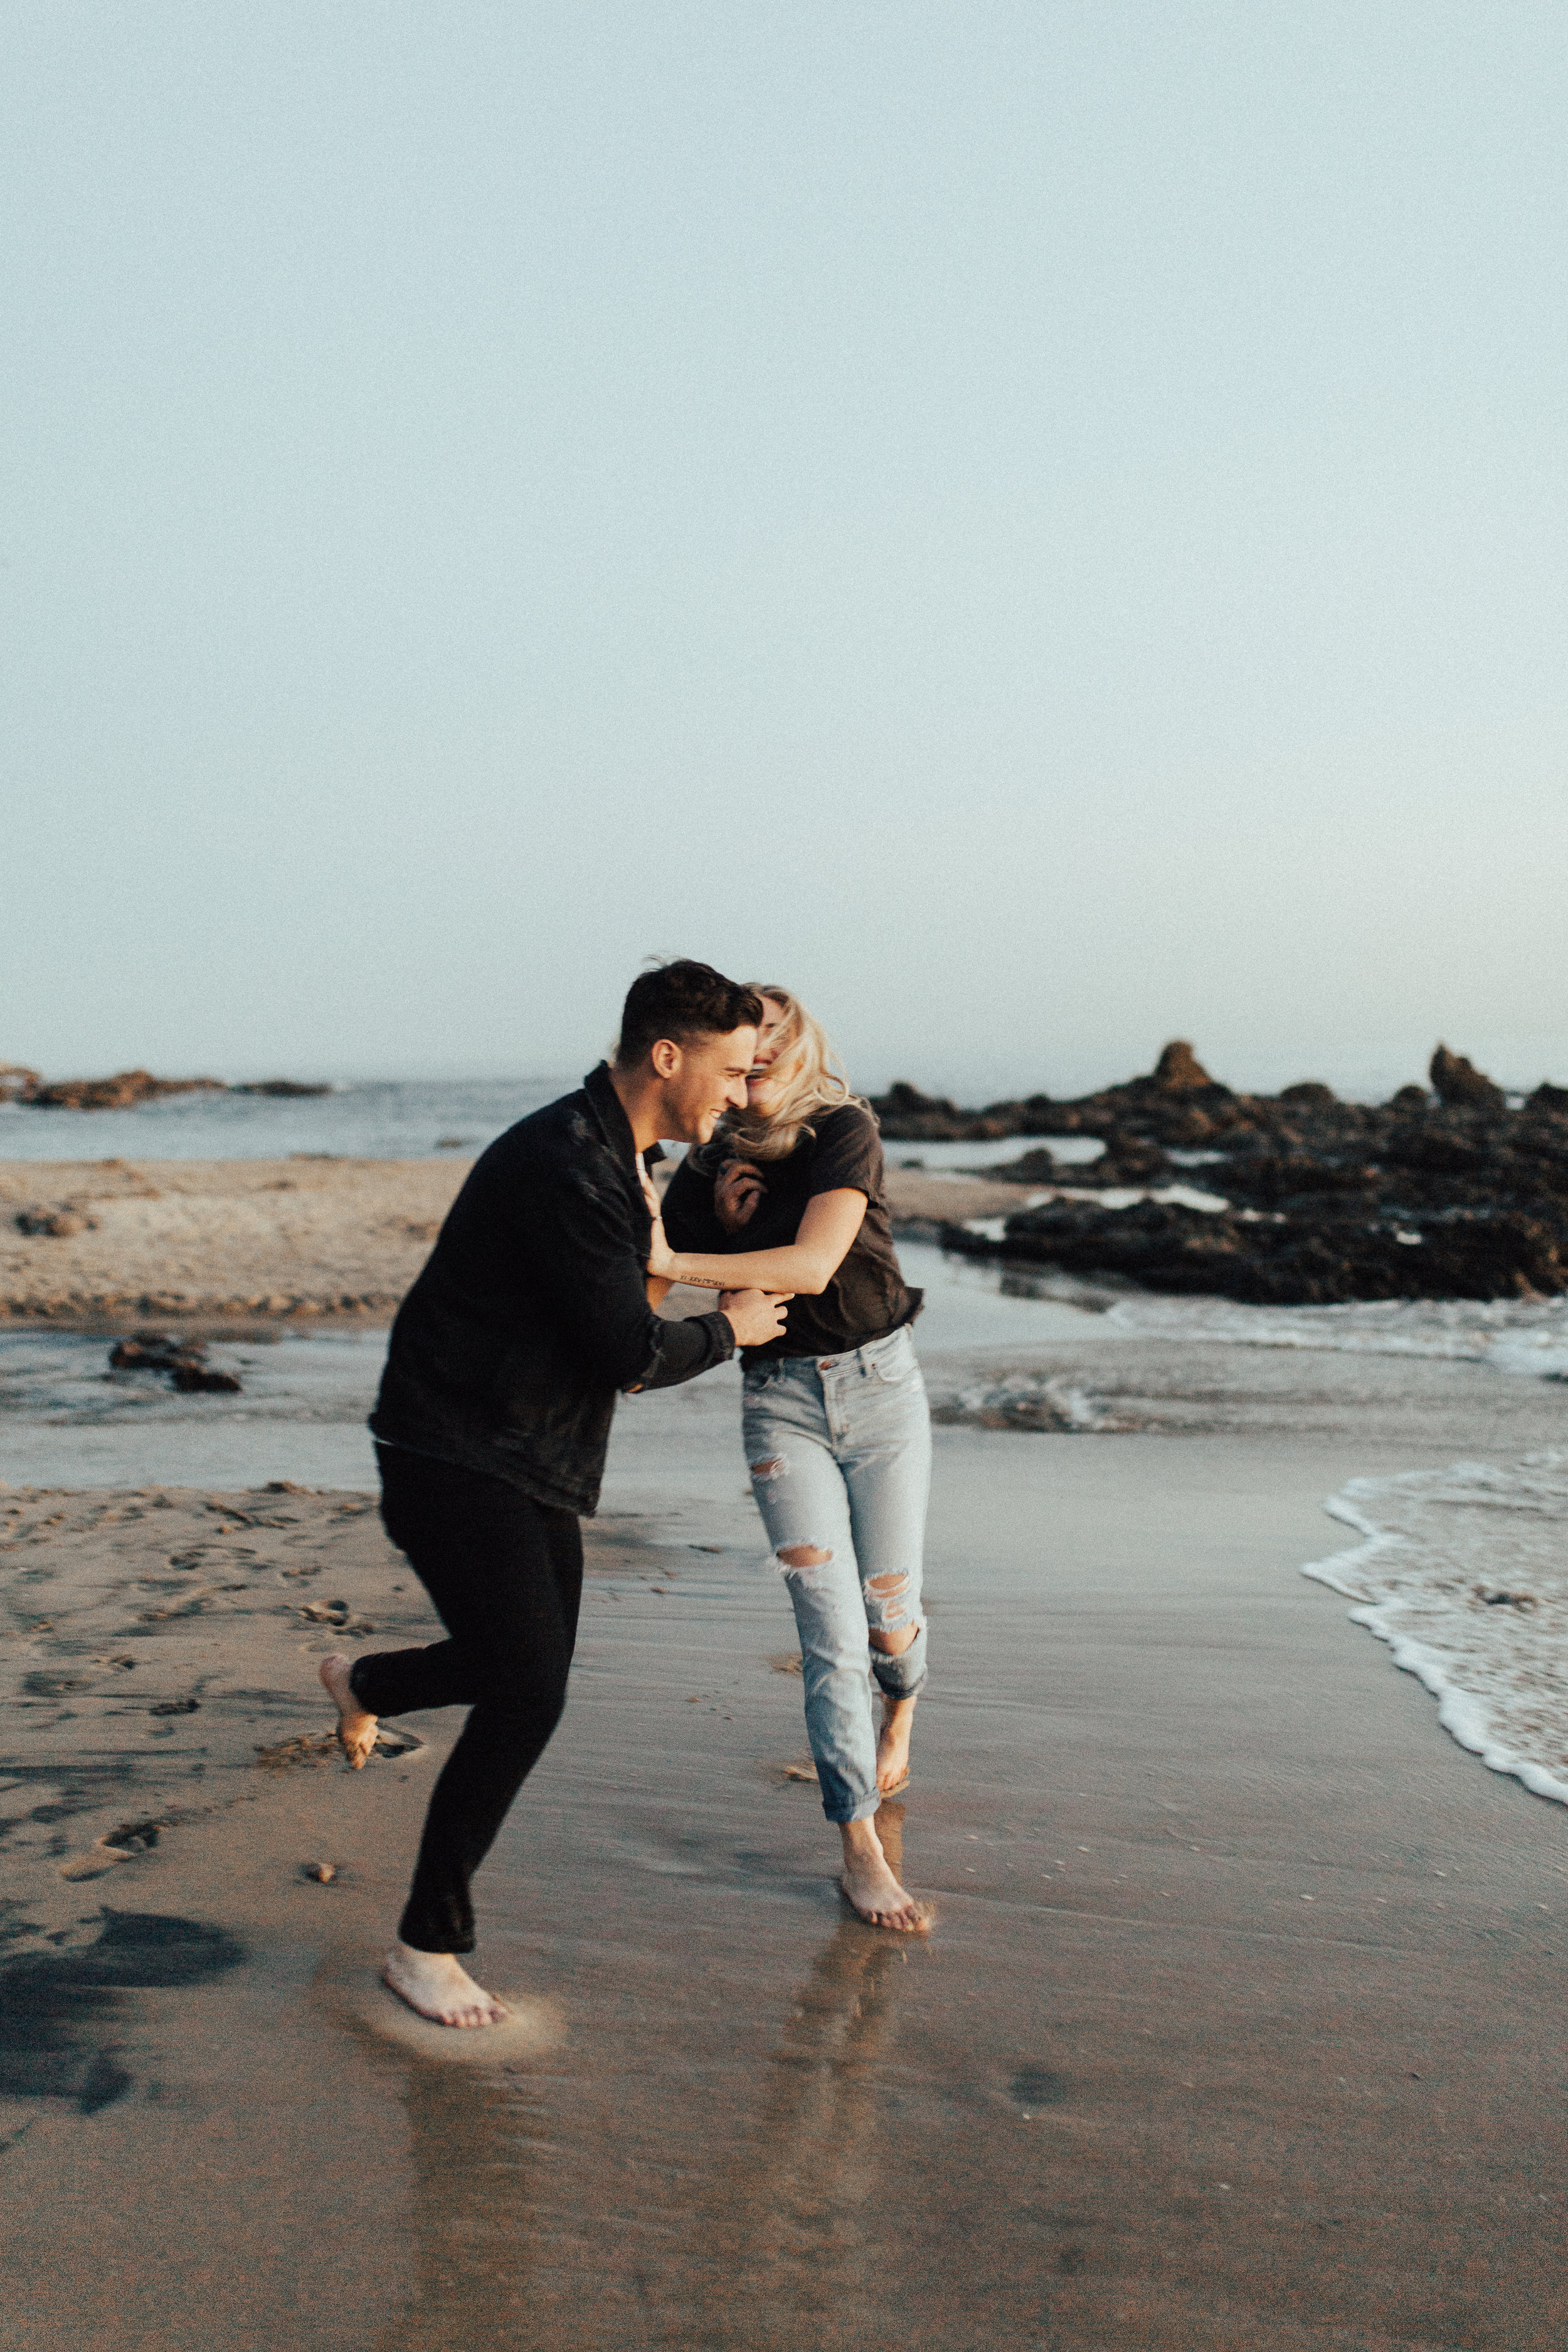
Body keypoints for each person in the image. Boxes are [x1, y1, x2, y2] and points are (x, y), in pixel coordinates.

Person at [319, 960, 790, 2028]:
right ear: (666, 1055)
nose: (740, 1091)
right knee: (526, 1688)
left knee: (518, 1674)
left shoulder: (624, 1157)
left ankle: (365, 1683)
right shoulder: (568, 1165)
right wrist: (736, 1328)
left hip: (527, 1451)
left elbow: (622, 1312)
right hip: (451, 1447)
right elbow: (629, 1347)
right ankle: (426, 1945)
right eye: (729, 1069)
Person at [653, 987, 931, 1933]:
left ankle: (903, 1708)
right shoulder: (708, 1164)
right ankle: (858, 1847)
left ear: (801, 1042)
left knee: (889, 1617)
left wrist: (705, 1258)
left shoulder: (843, 1130)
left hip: (883, 1391)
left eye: (777, 1029)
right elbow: (644, 1289)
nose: (762, 1047)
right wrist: (703, 1233)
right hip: (780, 1406)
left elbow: (812, 1267)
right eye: (747, 1036)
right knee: (829, 1629)